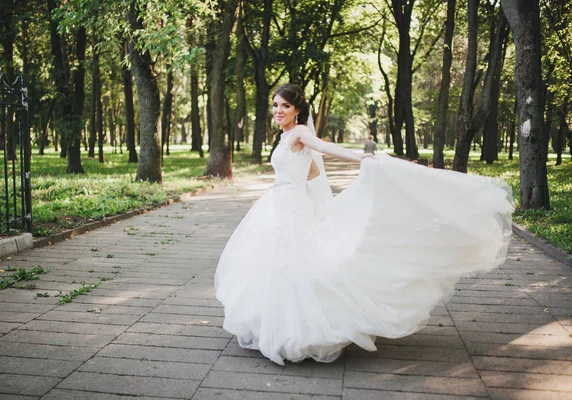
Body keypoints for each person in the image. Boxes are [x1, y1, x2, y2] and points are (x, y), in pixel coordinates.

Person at [215, 83, 513, 366]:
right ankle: (278, 324)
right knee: (281, 266)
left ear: (297, 110)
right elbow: (314, 171)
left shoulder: (301, 133)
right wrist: (296, 187)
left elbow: (325, 148)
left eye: (285, 106)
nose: (278, 110)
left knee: (291, 265)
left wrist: (361, 157)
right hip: (283, 203)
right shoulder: (285, 136)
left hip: (288, 206)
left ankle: (294, 332)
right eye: (276, 105)